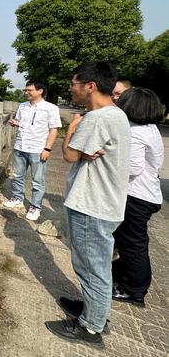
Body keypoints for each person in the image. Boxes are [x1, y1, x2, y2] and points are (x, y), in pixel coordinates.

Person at [45, 61, 130, 349]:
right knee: (97, 264)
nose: (72, 89)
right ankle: (94, 311)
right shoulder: (117, 114)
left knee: (91, 267)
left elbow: (69, 155)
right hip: (107, 202)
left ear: (90, 86)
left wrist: (74, 127)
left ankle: (91, 328)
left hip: (92, 204)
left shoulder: (94, 119)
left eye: (74, 84)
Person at [111, 87, 165, 305]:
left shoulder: (135, 132)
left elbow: (132, 167)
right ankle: (126, 279)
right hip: (146, 194)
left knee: (133, 244)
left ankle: (134, 289)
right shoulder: (150, 128)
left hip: (136, 196)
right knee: (131, 242)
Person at [4, 81, 62, 221]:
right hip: (20, 146)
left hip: (38, 148)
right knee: (17, 175)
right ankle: (17, 198)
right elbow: (21, 122)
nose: (26, 93)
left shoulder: (50, 108)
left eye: (29, 90)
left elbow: (54, 130)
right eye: (25, 90)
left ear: (40, 90)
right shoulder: (22, 106)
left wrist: (47, 148)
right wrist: (15, 123)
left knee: (38, 180)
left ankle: (35, 206)